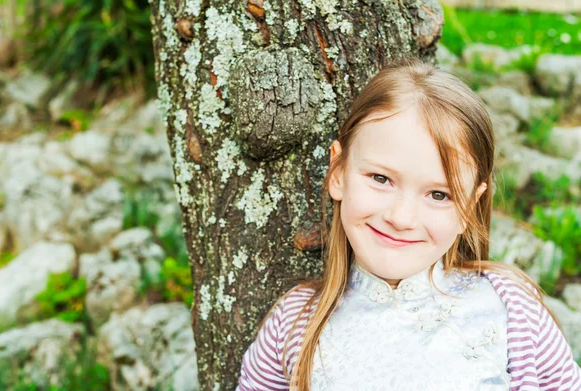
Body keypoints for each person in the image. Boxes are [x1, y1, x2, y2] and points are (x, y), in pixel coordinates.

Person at [236, 58, 581, 391]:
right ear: (339, 172)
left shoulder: (513, 310)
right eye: (381, 178)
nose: (401, 218)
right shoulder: (294, 323)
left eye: (439, 195)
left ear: (469, 208)